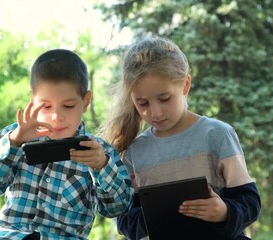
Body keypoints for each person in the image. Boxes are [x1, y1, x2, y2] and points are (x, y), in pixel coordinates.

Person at [98, 35, 261, 239]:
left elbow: (250, 202)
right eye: (143, 103)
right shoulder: (135, 152)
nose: (155, 112)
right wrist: (157, 215)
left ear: (185, 85)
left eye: (164, 99)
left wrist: (224, 212)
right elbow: (125, 222)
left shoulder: (217, 135)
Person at [0, 49, 134, 240]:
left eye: (68, 106)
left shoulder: (100, 151)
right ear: (32, 100)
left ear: (86, 101)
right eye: (46, 106)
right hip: (10, 235)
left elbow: (117, 207)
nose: (57, 116)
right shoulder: (15, 136)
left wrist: (101, 166)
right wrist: (14, 142)